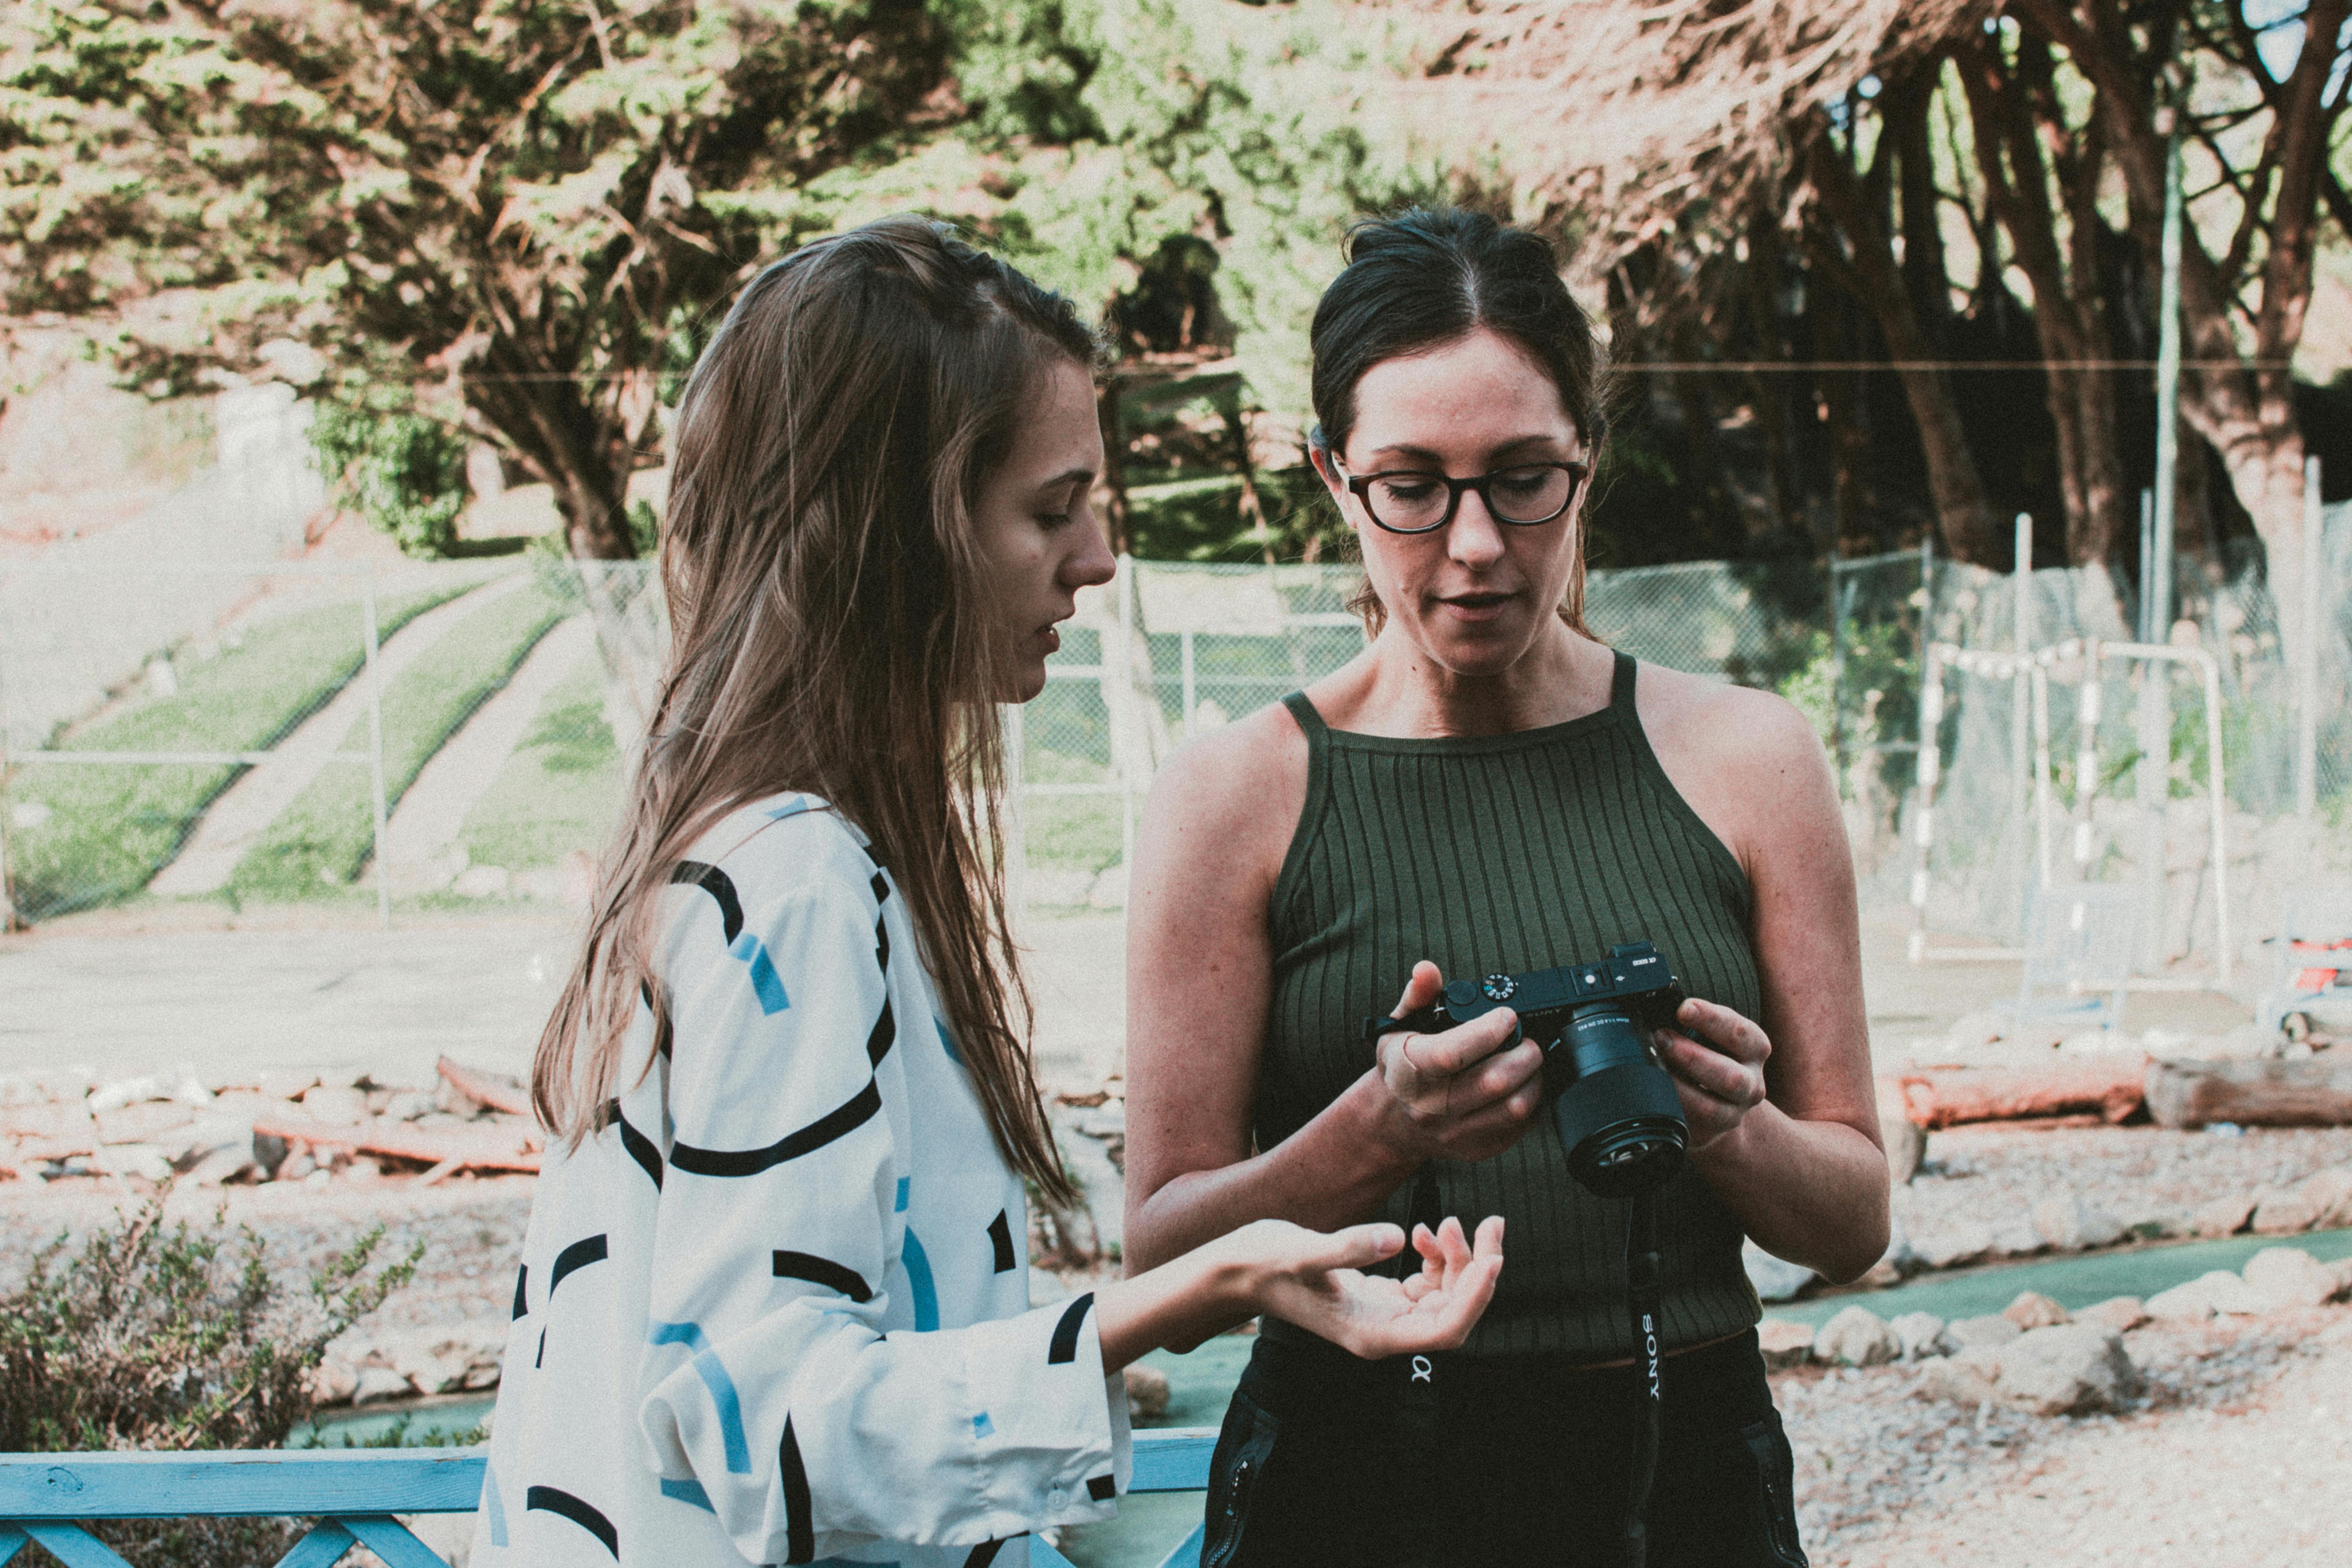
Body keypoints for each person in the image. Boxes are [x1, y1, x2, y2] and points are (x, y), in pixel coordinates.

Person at [468, 217, 1505, 1568]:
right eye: (1048, 507)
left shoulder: (734, 854)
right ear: (898, 532)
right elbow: (765, 1428)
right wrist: (1200, 1288)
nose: (1097, 557)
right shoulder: (793, 889)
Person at [1123, 208, 1890, 1567]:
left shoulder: (1749, 757)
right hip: (1348, 1482)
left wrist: (1731, 1128)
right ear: (1330, 476)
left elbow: (1853, 1221)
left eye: (1523, 477)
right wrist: (1379, 1129)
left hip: (1684, 1478)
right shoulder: (1233, 795)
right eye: (1412, 485)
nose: (1475, 542)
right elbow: (1164, 1269)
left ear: (1587, 469)